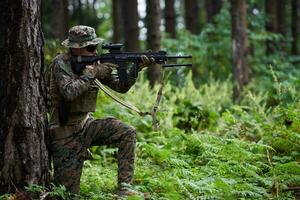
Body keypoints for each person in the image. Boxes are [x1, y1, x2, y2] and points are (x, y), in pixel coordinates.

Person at [48, 25, 153, 197]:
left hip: (86, 126)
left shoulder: (95, 63)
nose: (94, 51)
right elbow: (69, 92)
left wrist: (136, 68)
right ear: (76, 48)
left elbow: (121, 86)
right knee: (67, 195)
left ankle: (124, 188)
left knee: (127, 132)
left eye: (95, 47)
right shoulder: (61, 63)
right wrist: (93, 73)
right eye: (90, 48)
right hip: (64, 135)